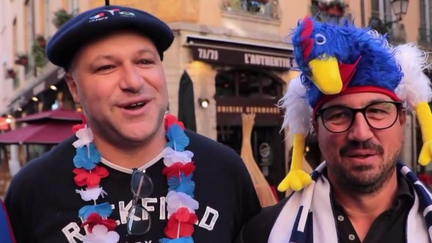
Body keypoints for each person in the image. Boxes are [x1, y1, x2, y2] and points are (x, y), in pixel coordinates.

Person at [5, 2, 261, 243]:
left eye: (145, 61)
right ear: (74, 87)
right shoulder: (33, 190)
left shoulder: (225, 169)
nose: (133, 81)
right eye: (106, 67)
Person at [236, 17, 432, 243]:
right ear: (315, 127)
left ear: (401, 120)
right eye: (339, 114)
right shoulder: (261, 233)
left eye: (377, 111)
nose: (361, 133)